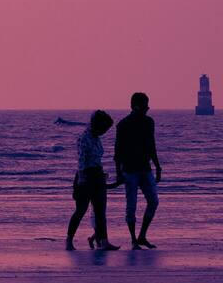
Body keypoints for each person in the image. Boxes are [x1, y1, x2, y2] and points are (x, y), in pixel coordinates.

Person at [113, 92, 162, 249]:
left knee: (153, 201)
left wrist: (157, 166)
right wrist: (118, 173)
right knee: (131, 206)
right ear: (135, 107)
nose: (148, 109)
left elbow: (151, 145)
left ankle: (142, 236)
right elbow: (117, 152)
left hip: (145, 168)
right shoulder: (123, 125)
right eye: (145, 106)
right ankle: (133, 240)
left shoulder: (149, 122)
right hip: (129, 170)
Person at [67, 111, 120, 251]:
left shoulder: (96, 137)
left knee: (100, 211)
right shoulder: (84, 138)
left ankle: (104, 241)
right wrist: (82, 180)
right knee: (80, 210)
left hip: (97, 175)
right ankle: (69, 240)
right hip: (86, 175)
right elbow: (82, 160)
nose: (105, 132)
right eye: (104, 129)